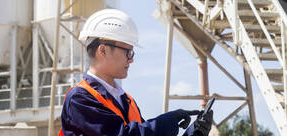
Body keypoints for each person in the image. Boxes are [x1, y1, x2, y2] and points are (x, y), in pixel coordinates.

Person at [59, 9, 213, 136]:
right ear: (103, 50)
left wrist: (194, 133)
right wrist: (168, 121)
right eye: (128, 52)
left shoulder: (126, 100)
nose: (131, 60)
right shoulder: (79, 98)